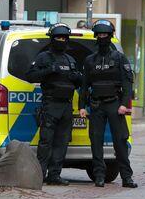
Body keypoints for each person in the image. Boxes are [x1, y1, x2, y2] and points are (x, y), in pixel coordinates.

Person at [79, 20, 137, 188]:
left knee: (120, 140)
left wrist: (124, 104)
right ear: (96, 36)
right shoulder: (90, 60)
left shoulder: (119, 58)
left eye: (105, 35)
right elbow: (84, 86)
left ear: (110, 36)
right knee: (95, 140)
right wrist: (82, 106)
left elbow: (127, 83)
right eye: (100, 35)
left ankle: (127, 177)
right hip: (96, 105)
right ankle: (99, 175)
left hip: (115, 104)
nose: (102, 37)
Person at [26, 23, 83, 186]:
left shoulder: (70, 59)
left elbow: (80, 80)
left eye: (64, 38)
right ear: (52, 39)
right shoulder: (44, 57)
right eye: (58, 37)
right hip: (51, 104)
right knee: (46, 142)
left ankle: (55, 175)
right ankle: (40, 175)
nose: (61, 40)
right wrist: (49, 70)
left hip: (66, 106)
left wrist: (77, 78)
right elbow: (30, 76)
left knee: (62, 142)